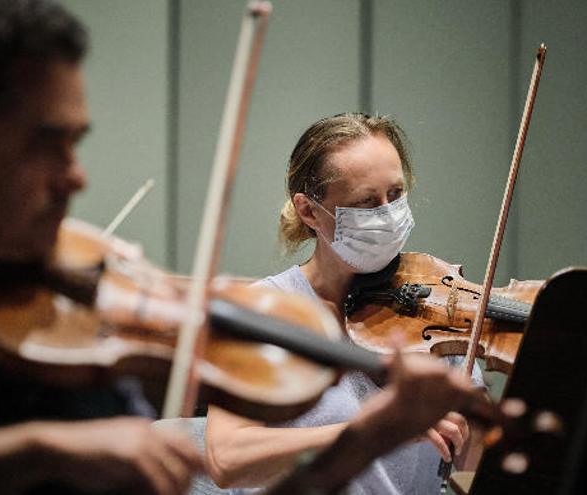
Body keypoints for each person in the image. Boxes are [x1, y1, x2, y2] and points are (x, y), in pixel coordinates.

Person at [0, 2, 486, 493]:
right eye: (48, 144)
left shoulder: (73, 316)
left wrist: (368, 435)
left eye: (78, 142)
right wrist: (40, 450)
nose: (77, 175)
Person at [205, 113, 484, 494]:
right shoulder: (266, 313)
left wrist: (480, 426)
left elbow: (476, 464)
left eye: (397, 194)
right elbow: (227, 461)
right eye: (366, 203)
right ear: (308, 211)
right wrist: (373, 431)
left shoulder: (435, 309)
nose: (388, 213)